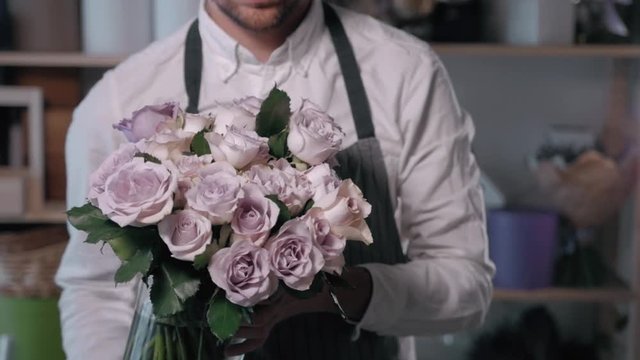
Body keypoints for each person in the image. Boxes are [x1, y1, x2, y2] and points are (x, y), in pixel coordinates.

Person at [56, 1, 495, 359]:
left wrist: (328, 292)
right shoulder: (121, 98)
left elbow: (466, 285)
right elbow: (95, 292)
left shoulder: (406, 73)